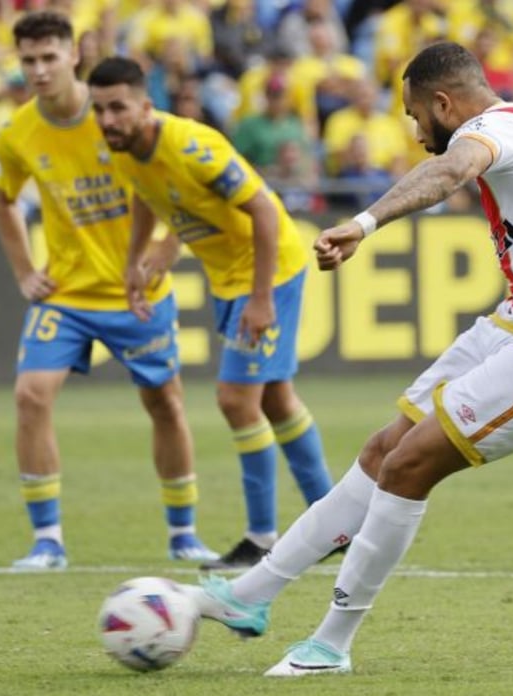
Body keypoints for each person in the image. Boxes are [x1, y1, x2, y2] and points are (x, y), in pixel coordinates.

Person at [185, 42, 513, 676]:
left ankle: (331, 645)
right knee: (382, 449)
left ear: (444, 103)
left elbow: (449, 173)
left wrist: (362, 223)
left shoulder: (488, 131)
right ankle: (250, 598)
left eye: (417, 116)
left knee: (410, 465)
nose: (418, 134)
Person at [86, 56, 335, 570]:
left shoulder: (193, 146)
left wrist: (262, 298)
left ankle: (261, 538)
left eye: (118, 108)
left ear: (145, 106)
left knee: (234, 400)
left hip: (268, 270)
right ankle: (335, 520)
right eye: (99, 109)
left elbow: (264, 210)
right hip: (227, 275)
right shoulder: (124, 149)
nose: (108, 119)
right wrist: (141, 257)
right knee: (277, 402)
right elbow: (146, 196)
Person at [0, 12, 212, 570]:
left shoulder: (120, 115)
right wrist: (23, 270)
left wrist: (168, 246)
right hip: (66, 293)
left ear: (74, 56)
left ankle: (183, 533)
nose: (39, 70)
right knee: (30, 396)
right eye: (29, 60)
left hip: (133, 291)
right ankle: (47, 541)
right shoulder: (17, 133)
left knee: (164, 402)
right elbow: (4, 199)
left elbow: (183, 187)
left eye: (49, 58)